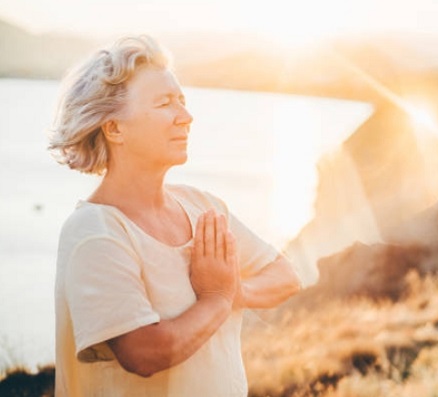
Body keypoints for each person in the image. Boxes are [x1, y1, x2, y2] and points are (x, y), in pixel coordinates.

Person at [49, 35, 301, 397]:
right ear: (114, 127)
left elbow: (285, 276)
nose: (186, 117)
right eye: (165, 103)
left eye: (182, 101)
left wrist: (234, 291)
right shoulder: (95, 232)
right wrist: (215, 298)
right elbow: (145, 353)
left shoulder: (203, 207)